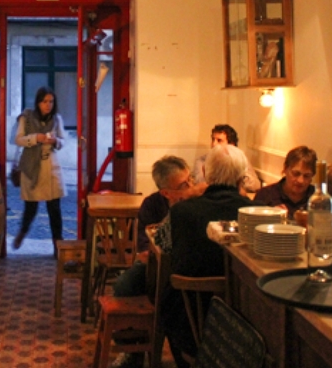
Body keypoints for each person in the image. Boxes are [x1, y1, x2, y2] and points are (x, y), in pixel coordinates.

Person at [155, 144, 260, 367]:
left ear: (204, 173)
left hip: (190, 320)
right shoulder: (256, 213)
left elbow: (161, 244)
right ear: (242, 177)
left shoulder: (182, 212)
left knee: (164, 291)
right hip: (245, 325)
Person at [111, 155, 206, 368]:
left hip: (187, 268)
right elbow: (144, 252)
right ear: (166, 192)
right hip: (153, 267)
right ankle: (131, 350)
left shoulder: (199, 202)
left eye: (190, 179)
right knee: (123, 286)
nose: (191, 186)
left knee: (174, 301)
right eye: (183, 184)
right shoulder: (152, 205)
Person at [12, 86, 67, 254]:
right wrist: (36, 138)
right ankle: (23, 231)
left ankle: (58, 246)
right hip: (31, 166)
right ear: (38, 102)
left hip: (50, 166)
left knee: (54, 209)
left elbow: (63, 141)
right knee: (31, 206)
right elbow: (18, 139)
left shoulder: (56, 119)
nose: (48, 105)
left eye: (51, 101)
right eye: (44, 101)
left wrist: (55, 141)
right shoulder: (26, 118)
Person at [191, 124, 260, 193]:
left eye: (219, 140)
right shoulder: (202, 161)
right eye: (213, 139)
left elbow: (255, 186)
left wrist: (239, 166)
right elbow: (201, 184)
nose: (213, 144)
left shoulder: (239, 158)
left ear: (231, 145)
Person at [253, 145, 318, 219]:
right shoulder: (266, 195)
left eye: (307, 176)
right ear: (285, 169)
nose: (301, 181)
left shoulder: (318, 199)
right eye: (296, 173)